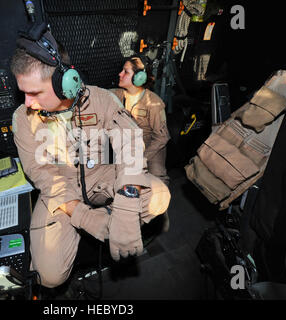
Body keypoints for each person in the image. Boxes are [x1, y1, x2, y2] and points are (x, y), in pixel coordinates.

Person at [10, 24, 171, 288]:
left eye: (34, 92)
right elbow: (42, 175)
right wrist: (84, 216)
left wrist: (127, 207)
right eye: (23, 92)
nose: (27, 102)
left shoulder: (103, 100)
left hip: (103, 178)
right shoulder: (23, 118)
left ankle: (114, 218)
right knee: (49, 277)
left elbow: (129, 149)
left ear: (65, 84)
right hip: (60, 192)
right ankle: (100, 223)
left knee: (159, 195)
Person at [111, 56, 171, 186]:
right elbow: (97, 95)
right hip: (127, 147)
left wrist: (142, 158)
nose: (120, 74)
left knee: (157, 182)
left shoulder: (154, 103)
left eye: (125, 72)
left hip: (151, 148)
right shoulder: (116, 95)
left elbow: (162, 137)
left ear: (139, 78)